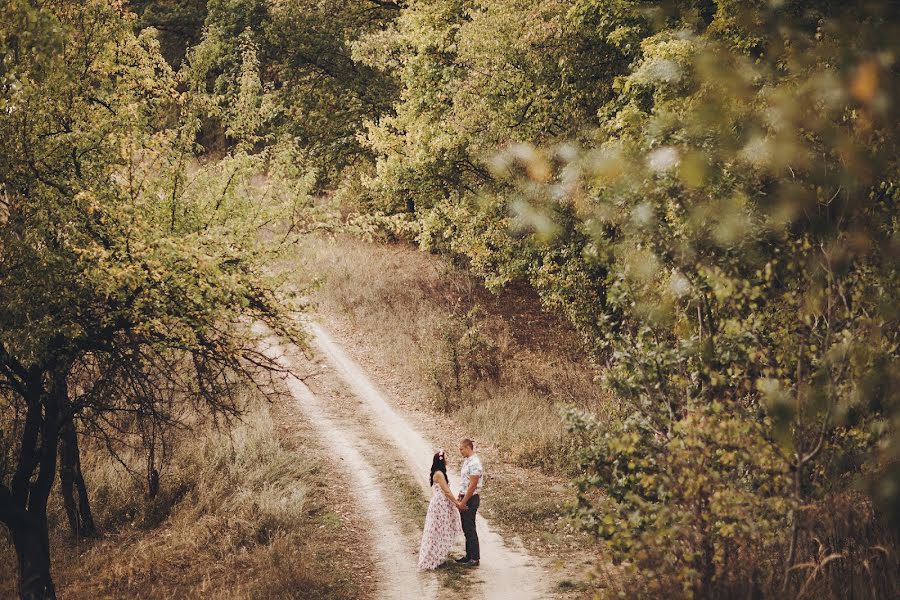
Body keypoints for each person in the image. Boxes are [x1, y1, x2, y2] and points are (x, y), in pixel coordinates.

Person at [417, 450, 463, 570]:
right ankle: (431, 558)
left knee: (440, 531)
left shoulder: (440, 473)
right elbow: (446, 491)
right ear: (441, 460)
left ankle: (437, 555)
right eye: (446, 457)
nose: (448, 459)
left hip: (442, 503)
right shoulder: (439, 474)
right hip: (440, 505)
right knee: (436, 531)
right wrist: (457, 502)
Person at [455, 438, 483, 566]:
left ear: (468, 448)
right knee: (466, 527)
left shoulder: (475, 463)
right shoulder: (467, 461)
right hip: (464, 496)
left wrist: (464, 501)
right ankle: (469, 555)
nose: (460, 451)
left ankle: (475, 558)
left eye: (461, 449)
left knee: (470, 527)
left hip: (471, 498)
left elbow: (472, 485)